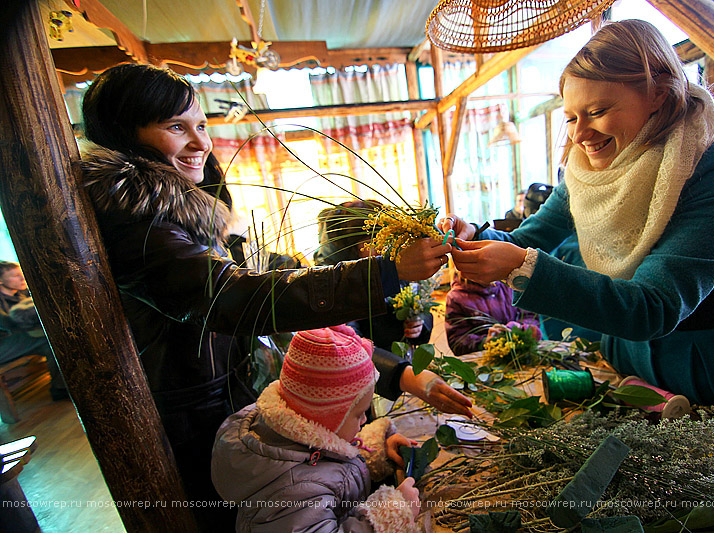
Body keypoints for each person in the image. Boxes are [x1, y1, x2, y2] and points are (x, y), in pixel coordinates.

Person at [79, 63, 451, 529]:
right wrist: (385, 272)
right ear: (125, 135)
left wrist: (398, 371)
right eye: (176, 127)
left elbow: (277, 277)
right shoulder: (139, 229)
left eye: (201, 125)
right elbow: (236, 298)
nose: (201, 143)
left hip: (235, 408)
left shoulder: (188, 217)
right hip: (201, 428)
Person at [441, 20, 714, 464]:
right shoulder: (589, 169)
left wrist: (521, 265)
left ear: (659, 95)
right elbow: (528, 238)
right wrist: (473, 236)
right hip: (631, 354)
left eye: (597, 111)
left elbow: (654, 304)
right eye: (572, 117)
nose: (578, 134)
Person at [212, 325, 420, 532]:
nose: (365, 418)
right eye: (359, 414)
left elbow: (328, 462)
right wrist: (394, 514)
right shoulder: (294, 493)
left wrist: (377, 451)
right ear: (329, 418)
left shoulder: (288, 435)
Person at [315, 200, 433, 349]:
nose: (382, 250)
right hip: (371, 364)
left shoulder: (397, 267)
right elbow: (350, 338)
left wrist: (420, 323)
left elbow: (421, 304)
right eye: (373, 243)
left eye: (386, 241)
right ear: (353, 248)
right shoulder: (346, 287)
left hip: (403, 361)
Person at [0, 261, 67, 400]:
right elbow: (8, 323)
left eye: (21, 274)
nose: (21, 278)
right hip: (4, 345)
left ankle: (59, 387)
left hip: (18, 340)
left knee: (51, 343)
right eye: (15, 276)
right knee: (49, 339)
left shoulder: (20, 295)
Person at [445, 270, 539, 356]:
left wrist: (520, 328)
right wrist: (485, 342)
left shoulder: (511, 284)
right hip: (486, 360)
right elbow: (457, 341)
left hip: (522, 353)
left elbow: (530, 316)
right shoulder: (456, 298)